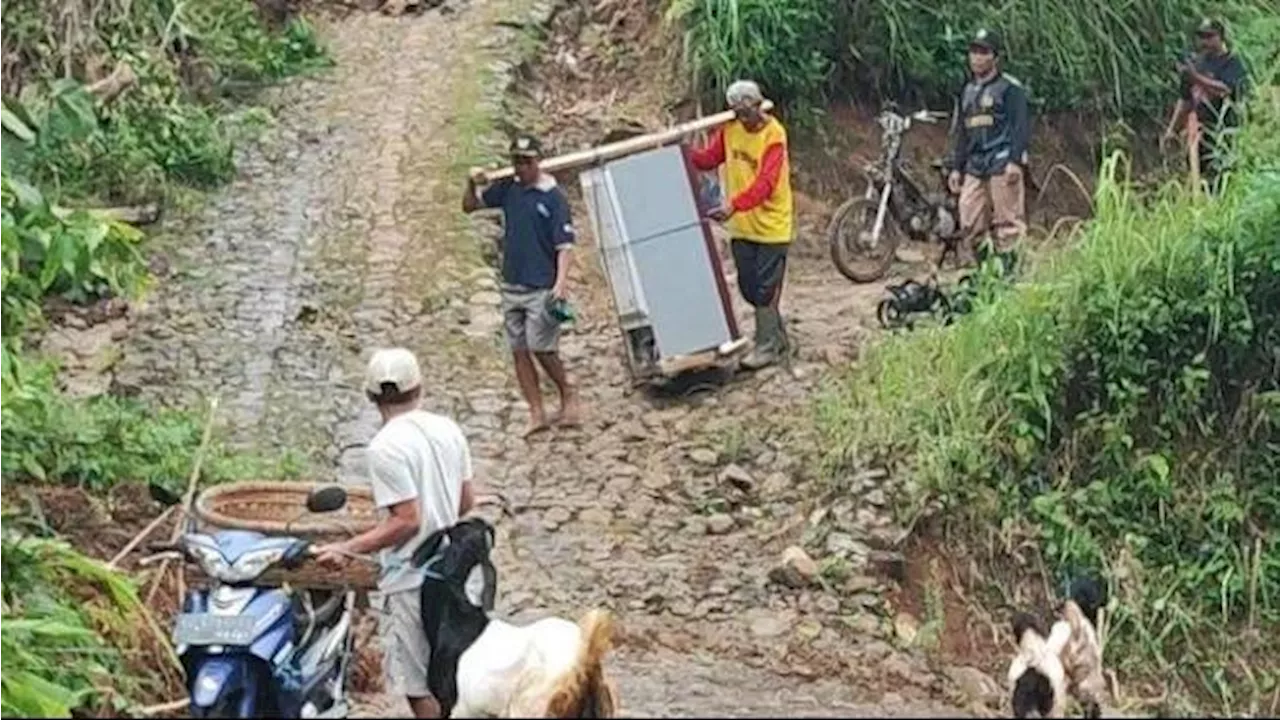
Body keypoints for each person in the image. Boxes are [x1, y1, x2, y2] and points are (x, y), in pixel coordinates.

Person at [314, 347, 476, 719]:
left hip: (412, 579)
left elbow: (406, 520)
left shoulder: (384, 447)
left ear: (371, 396)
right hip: (455, 569)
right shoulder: (448, 429)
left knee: (419, 684)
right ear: (419, 387)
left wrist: (347, 547)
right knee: (455, 671)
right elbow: (465, 502)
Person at [463, 135, 581, 437]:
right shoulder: (509, 189)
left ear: (537, 161)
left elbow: (565, 245)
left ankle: (567, 391)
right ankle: (536, 411)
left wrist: (561, 282)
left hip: (541, 285)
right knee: (519, 350)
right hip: (512, 283)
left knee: (542, 346)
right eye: (517, 161)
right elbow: (470, 207)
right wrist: (471, 184)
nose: (521, 168)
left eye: (527, 162)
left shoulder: (553, 197)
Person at [689, 79, 794, 370]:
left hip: (772, 225)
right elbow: (709, 158)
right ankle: (776, 336)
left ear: (759, 106)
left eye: (750, 111)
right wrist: (685, 151)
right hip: (742, 226)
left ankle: (767, 346)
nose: (746, 119)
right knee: (749, 287)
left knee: (766, 288)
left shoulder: (774, 135)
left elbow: (767, 183)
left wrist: (734, 204)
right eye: (740, 113)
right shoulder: (730, 130)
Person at [944, 28, 1031, 266]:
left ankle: (1010, 275)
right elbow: (962, 133)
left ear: (995, 57)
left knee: (1007, 222)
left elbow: (1020, 127)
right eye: (973, 51)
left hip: (1002, 161)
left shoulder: (1009, 88)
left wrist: (1015, 161)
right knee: (969, 220)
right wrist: (956, 168)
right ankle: (984, 273)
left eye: (983, 52)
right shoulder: (968, 92)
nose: (977, 57)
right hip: (975, 164)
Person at [1161, 18, 1248, 194]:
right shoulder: (1197, 63)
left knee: (1222, 178)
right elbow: (1185, 100)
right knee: (1197, 178)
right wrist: (1171, 130)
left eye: (1209, 36)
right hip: (1199, 132)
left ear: (1221, 37)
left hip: (1224, 133)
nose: (1204, 41)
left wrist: (1196, 77)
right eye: (1201, 36)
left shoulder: (1232, 62)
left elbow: (1225, 90)